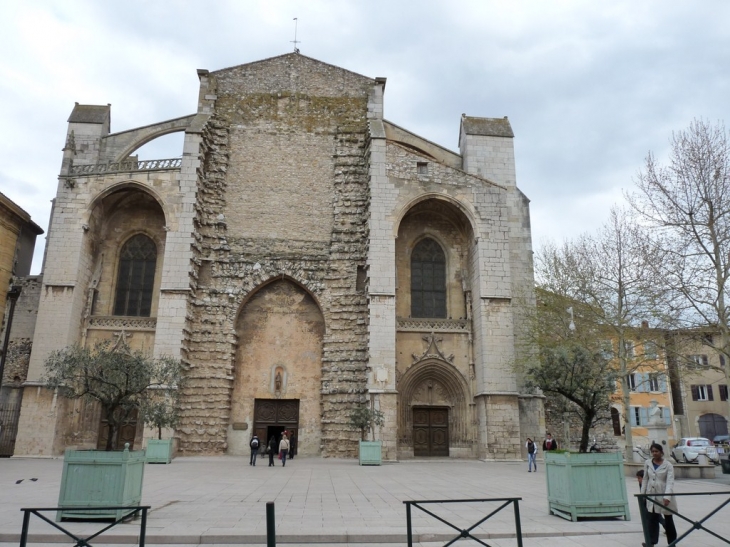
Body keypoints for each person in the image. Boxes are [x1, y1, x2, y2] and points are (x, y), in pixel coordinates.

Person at [641, 443, 677, 546]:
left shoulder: (668, 465)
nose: (654, 453)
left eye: (656, 451)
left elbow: (670, 481)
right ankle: (651, 541)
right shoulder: (648, 463)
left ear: (661, 452)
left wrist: (667, 496)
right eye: (653, 451)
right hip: (651, 493)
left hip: (664, 492)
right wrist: (642, 494)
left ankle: (672, 542)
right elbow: (645, 479)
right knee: (652, 519)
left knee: (668, 519)